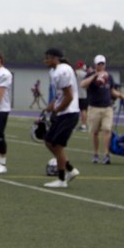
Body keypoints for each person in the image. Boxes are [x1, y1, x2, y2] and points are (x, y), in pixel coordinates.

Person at [42, 47, 80, 188]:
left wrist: (57, 110)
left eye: (47, 57)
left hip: (69, 112)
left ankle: (62, 179)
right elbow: (59, 96)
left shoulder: (62, 70)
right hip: (64, 112)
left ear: (55, 58)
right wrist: (49, 108)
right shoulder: (54, 71)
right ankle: (70, 169)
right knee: (48, 141)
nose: (45, 60)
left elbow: (69, 97)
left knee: (57, 145)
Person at [81, 54, 124, 164]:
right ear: (95, 65)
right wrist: (94, 76)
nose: (101, 66)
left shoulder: (109, 76)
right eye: (99, 64)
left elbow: (111, 91)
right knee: (95, 132)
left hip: (107, 107)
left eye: (102, 64)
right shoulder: (90, 75)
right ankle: (96, 154)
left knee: (107, 130)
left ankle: (106, 155)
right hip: (94, 107)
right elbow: (83, 84)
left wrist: (120, 95)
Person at [75, 61, 89, 131]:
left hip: (76, 94)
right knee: (83, 110)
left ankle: (74, 124)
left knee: (75, 110)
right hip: (84, 94)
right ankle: (83, 125)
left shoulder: (74, 73)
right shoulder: (85, 74)